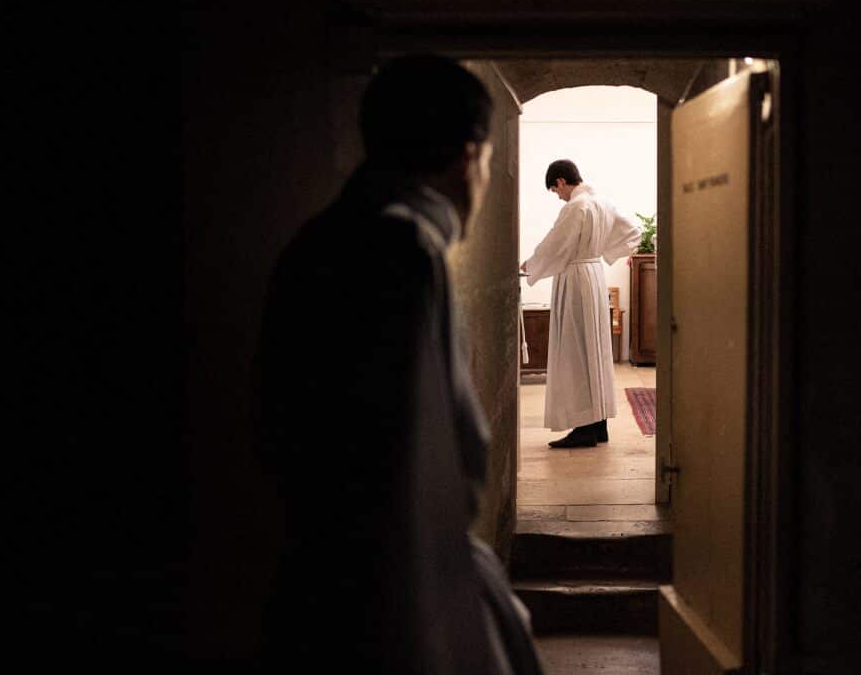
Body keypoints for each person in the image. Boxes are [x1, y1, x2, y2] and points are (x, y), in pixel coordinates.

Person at [251, 55, 541, 673]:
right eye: (489, 163)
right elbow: (421, 469)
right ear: (469, 156)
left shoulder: (321, 239)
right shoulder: (402, 251)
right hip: (390, 591)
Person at [521, 160, 640, 448]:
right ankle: (598, 424)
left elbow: (555, 244)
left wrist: (531, 265)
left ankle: (584, 428)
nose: (557, 196)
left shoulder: (576, 207)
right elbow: (633, 234)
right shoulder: (602, 203)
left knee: (575, 351)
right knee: (594, 351)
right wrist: (602, 252)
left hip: (575, 279)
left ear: (561, 181)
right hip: (593, 275)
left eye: (554, 190)